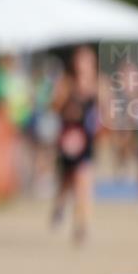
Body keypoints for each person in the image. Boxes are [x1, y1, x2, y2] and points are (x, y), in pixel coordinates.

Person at [50, 45, 102, 245]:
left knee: (83, 184)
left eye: (87, 61)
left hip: (86, 141)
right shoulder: (66, 83)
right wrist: (67, 105)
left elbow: (107, 113)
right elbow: (54, 107)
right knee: (66, 181)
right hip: (68, 140)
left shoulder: (98, 85)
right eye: (80, 60)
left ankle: (81, 226)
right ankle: (60, 206)